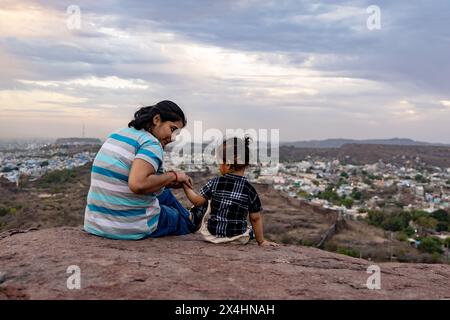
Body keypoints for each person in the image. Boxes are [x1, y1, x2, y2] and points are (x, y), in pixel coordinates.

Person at [83, 100, 198, 240]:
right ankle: (192, 220)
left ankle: (191, 215)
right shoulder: (151, 144)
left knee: (165, 194)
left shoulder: (119, 134)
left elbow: (127, 178)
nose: (173, 138)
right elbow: (138, 184)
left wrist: (166, 181)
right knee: (178, 218)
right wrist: (174, 176)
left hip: (96, 223)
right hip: (128, 226)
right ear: (157, 120)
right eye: (172, 129)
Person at [183, 136, 278, 246]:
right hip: (237, 239)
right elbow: (255, 218)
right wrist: (261, 241)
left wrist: (186, 187)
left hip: (212, 236)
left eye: (219, 163)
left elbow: (197, 201)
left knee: (207, 203)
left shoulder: (215, 183)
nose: (218, 166)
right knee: (249, 228)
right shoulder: (250, 190)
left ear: (227, 165)